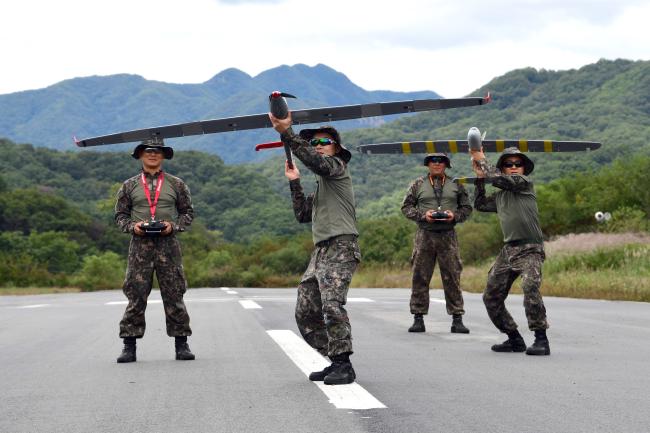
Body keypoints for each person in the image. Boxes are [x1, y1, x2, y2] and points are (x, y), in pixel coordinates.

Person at [269, 111, 361, 385]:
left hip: (341, 245)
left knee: (332, 305)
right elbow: (302, 214)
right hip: (321, 251)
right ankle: (334, 359)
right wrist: (294, 182)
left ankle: (343, 364)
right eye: (315, 142)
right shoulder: (322, 187)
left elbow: (318, 163)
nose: (318, 145)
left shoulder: (336, 168)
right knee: (306, 310)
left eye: (324, 141)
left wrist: (287, 133)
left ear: (337, 148)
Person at [114, 137, 195, 363]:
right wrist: (133, 227)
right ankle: (129, 346)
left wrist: (174, 226)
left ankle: (182, 344)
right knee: (135, 294)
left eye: (157, 151)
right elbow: (120, 216)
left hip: (168, 245)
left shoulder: (177, 184)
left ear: (163, 155)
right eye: (148, 151)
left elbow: (188, 213)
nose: (152, 154)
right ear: (140, 154)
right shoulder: (129, 186)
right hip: (139, 246)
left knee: (174, 293)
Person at [470, 147, 550, 356]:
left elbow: (501, 180)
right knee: (491, 297)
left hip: (530, 248)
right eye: (508, 164)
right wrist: (479, 179)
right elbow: (479, 204)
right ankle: (514, 338)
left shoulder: (524, 184)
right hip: (509, 251)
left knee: (530, 287)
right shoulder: (500, 196)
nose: (514, 167)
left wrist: (481, 159)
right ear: (503, 168)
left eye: (518, 164)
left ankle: (541, 339)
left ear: (524, 168)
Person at [401, 153, 472, 334]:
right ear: (428, 164)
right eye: (433, 161)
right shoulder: (418, 184)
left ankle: (457, 319)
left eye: (441, 161)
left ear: (447, 164)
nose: (437, 164)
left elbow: (466, 208)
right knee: (420, 276)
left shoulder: (456, 184)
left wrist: (453, 216)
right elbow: (406, 207)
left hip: (448, 235)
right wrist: (423, 216)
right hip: (425, 234)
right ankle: (418, 317)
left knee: (452, 276)